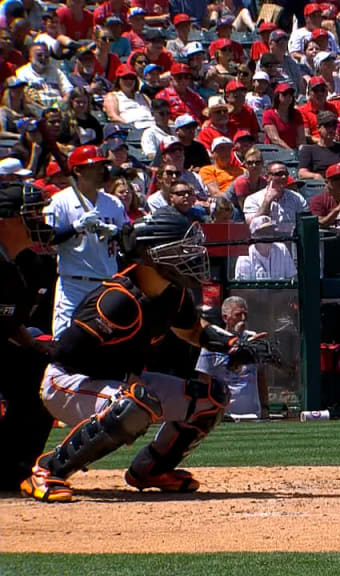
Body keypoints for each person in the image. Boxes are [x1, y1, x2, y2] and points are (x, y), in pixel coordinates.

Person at [21, 208, 270, 502]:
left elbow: (192, 331)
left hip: (122, 382)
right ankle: (48, 470)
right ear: (153, 254)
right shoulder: (116, 301)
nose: (189, 256)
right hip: (68, 381)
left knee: (211, 395)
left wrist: (231, 343)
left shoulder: (174, 293)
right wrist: (129, 383)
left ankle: (151, 469)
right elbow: (67, 355)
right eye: (180, 249)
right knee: (134, 403)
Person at [0, 183, 56, 492]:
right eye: (28, 215)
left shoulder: (29, 264)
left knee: (42, 369)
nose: (39, 221)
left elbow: (8, 320)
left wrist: (33, 344)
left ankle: (13, 468)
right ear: (3, 221)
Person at [44, 146, 127, 339]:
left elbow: (128, 238)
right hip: (74, 283)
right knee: (64, 340)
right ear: (77, 171)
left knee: (105, 343)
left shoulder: (113, 203)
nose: (101, 170)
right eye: (94, 166)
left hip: (107, 283)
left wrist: (115, 233)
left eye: (102, 165)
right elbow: (48, 238)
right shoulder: (60, 201)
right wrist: (76, 226)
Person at [195, 296, 269, 419]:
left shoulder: (254, 338)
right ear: (225, 317)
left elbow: (261, 376)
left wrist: (265, 407)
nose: (243, 319)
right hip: (225, 415)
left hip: (253, 415)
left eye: (245, 314)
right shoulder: (212, 343)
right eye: (238, 315)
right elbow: (204, 379)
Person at [242, 161, 309, 233]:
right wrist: (267, 201)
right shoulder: (252, 199)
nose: (284, 177)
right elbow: (252, 226)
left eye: (286, 174)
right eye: (278, 174)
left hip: (290, 242)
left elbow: (306, 224)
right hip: (263, 242)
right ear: (267, 177)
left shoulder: (297, 198)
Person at [234, 214, 297, 280]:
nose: (268, 236)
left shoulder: (282, 249)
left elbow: (292, 279)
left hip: (281, 290)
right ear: (254, 236)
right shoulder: (244, 257)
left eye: (270, 231)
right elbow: (242, 289)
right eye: (263, 232)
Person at [298, 111, 340, 180]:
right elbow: (302, 173)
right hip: (322, 185)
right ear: (318, 128)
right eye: (327, 125)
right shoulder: (309, 150)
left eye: (334, 125)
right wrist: (315, 176)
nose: (331, 129)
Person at [262, 84, 305, 150]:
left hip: (295, 153)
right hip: (274, 153)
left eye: (290, 94)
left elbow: (301, 138)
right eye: (284, 94)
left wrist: (301, 152)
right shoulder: (268, 114)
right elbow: (274, 139)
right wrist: (290, 151)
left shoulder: (297, 114)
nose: (288, 96)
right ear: (277, 96)